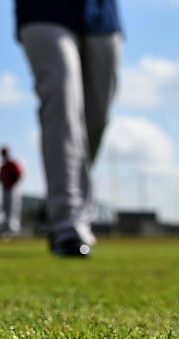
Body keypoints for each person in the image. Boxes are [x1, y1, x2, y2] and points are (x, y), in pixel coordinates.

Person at [14, 0, 122, 257]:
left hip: (101, 14)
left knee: (97, 119)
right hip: (44, 12)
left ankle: (60, 200)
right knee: (63, 107)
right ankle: (67, 224)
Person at [0, 146, 23, 237]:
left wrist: (13, 183)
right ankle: (7, 230)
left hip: (13, 188)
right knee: (6, 209)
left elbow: (19, 174)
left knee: (13, 209)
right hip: (5, 189)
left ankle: (13, 231)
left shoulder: (12, 163)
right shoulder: (3, 166)